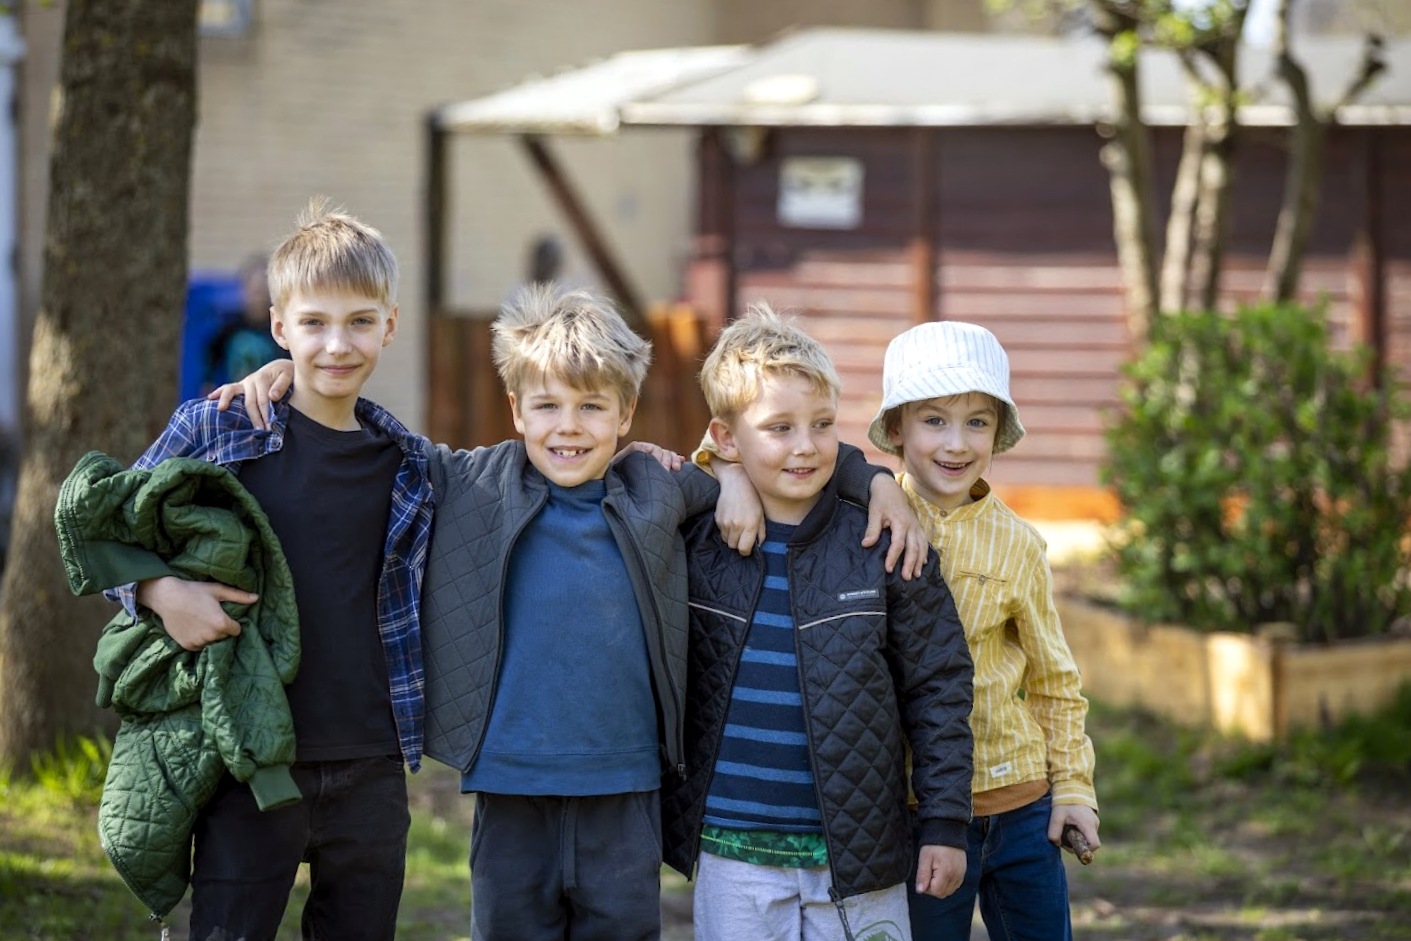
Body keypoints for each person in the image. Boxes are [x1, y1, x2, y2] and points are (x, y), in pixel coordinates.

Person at [216, 286, 928, 941]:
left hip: (624, 788)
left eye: (593, 407)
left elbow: (780, 449)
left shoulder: (661, 486)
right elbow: (371, 431)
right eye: (548, 405)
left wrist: (867, 480)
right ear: (516, 409)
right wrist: (285, 378)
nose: (569, 427)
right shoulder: (468, 481)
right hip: (508, 784)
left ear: (625, 414)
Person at [111, 199, 432, 941]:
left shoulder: (411, 464)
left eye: (358, 321)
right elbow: (106, 532)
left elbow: (526, 471)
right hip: (246, 756)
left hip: (371, 763)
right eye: (314, 323)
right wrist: (160, 593)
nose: (336, 343)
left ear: (389, 324)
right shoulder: (219, 425)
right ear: (279, 326)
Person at [661, 305, 976, 941]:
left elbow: (939, 685)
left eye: (823, 424)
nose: (805, 445)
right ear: (726, 438)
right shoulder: (695, 540)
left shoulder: (885, 539)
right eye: (779, 428)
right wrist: (721, 474)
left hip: (860, 858)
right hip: (731, 852)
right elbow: (630, 469)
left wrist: (944, 821)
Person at [867, 320, 1101, 941]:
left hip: (1021, 802)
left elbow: (1055, 680)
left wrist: (1073, 788)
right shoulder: (866, 525)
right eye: (934, 420)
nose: (957, 442)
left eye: (978, 422)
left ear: (999, 432)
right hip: (921, 812)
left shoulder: (1019, 544)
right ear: (896, 429)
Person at [205, 252, 288, 390]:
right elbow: (211, 360)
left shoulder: (280, 329)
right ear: (244, 290)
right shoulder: (229, 328)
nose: (258, 297)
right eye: (254, 291)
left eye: (263, 291)